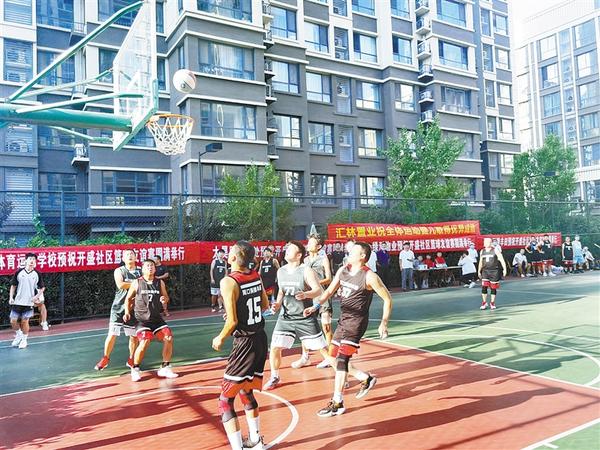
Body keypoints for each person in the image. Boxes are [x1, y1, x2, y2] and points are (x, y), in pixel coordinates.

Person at [303, 242, 392, 417]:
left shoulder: (369, 276)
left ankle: (337, 402)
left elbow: (387, 299)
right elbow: (329, 291)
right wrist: (315, 306)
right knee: (331, 357)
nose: (349, 252)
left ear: (362, 256)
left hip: (356, 323)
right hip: (343, 320)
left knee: (342, 360)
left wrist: (384, 323)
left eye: (354, 251)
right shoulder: (343, 270)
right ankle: (365, 378)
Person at [212, 241, 270, 450]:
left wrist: (220, 337)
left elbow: (232, 322)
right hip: (260, 339)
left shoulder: (229, 281)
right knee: (246, 391)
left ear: (234, 257)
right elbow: (265, 305)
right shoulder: (255, 275)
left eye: (230, 252)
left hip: (245, 343)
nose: (228, 254)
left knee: (225, 400)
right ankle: (255, 441)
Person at [263, 241, 329, 390]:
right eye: (286, 249)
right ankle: (274, 376)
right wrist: (277, 304)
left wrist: (306, 294)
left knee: (323, 350)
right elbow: (281, 291)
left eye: (290, 249)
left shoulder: (306, 271)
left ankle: (343, 374)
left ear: (299, 255)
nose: (287, 250)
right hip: (286, 317)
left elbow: (318, 290)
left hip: (304, 316)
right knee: (275, 347)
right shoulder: (281, 271)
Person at [124, 259, 178, 381]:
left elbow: (166, 297)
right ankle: (135, 368)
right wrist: (127, 312)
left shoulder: (160, 282)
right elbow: (128, 299)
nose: (150, 267)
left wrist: (164, 300)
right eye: (147, 266)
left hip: (156, 319)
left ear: (155, 268)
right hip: (141, 320)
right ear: (142, 269)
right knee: (145, 341)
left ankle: (165, 367)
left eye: (152, 265)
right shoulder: (137, 282)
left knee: (168, 337)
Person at [95, 249, 140, 370]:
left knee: (133, 336)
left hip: (134, 308)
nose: (129, 256)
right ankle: (105, 358)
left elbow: (148, 283)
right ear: (123, 259)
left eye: (132, 254)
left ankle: (131, 359)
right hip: (118, 307)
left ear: (136, 257)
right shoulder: (119, 271)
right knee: (112, 333)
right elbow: (121, 284)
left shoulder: (141, 271)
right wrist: (139, 284)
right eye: (127, 255)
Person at [303, 234, 333, 369]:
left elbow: (329, 278)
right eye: (308, 242)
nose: (308, 245)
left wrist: (315, 284)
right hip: (309, 297)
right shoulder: (305, 260)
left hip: (323, 296)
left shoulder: (323, 259)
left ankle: (331, 357)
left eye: (311, 243)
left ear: (319, 246)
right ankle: (305, 356)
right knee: (306, 326)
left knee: (326, 326)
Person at [9, 253, 46, 349]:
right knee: (13, 321)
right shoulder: (19, 272)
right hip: (18, 301)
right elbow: (13, 286)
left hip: (29, 303)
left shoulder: (37, 274)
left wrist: (36, 297)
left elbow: (42, 288)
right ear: (26, 261)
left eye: (34, 259)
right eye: (30, 259)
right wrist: (11, 297)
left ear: (35, 262)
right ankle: (19, 335)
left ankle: (24, 340)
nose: (32, 261)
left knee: (25, 321)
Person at [478, 237, 507, 310]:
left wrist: (504, 269)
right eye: (484, 242)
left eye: (487, 242)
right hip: (485, 271)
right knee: (484, 287)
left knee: (493, 288)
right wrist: (479, 271)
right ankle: (484, 302)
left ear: (490, 243)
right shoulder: (482, 251)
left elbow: (501, 259)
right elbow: (480, 262)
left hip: (494, 271)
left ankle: (492, 302)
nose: (485, 243)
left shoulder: (495, 250)